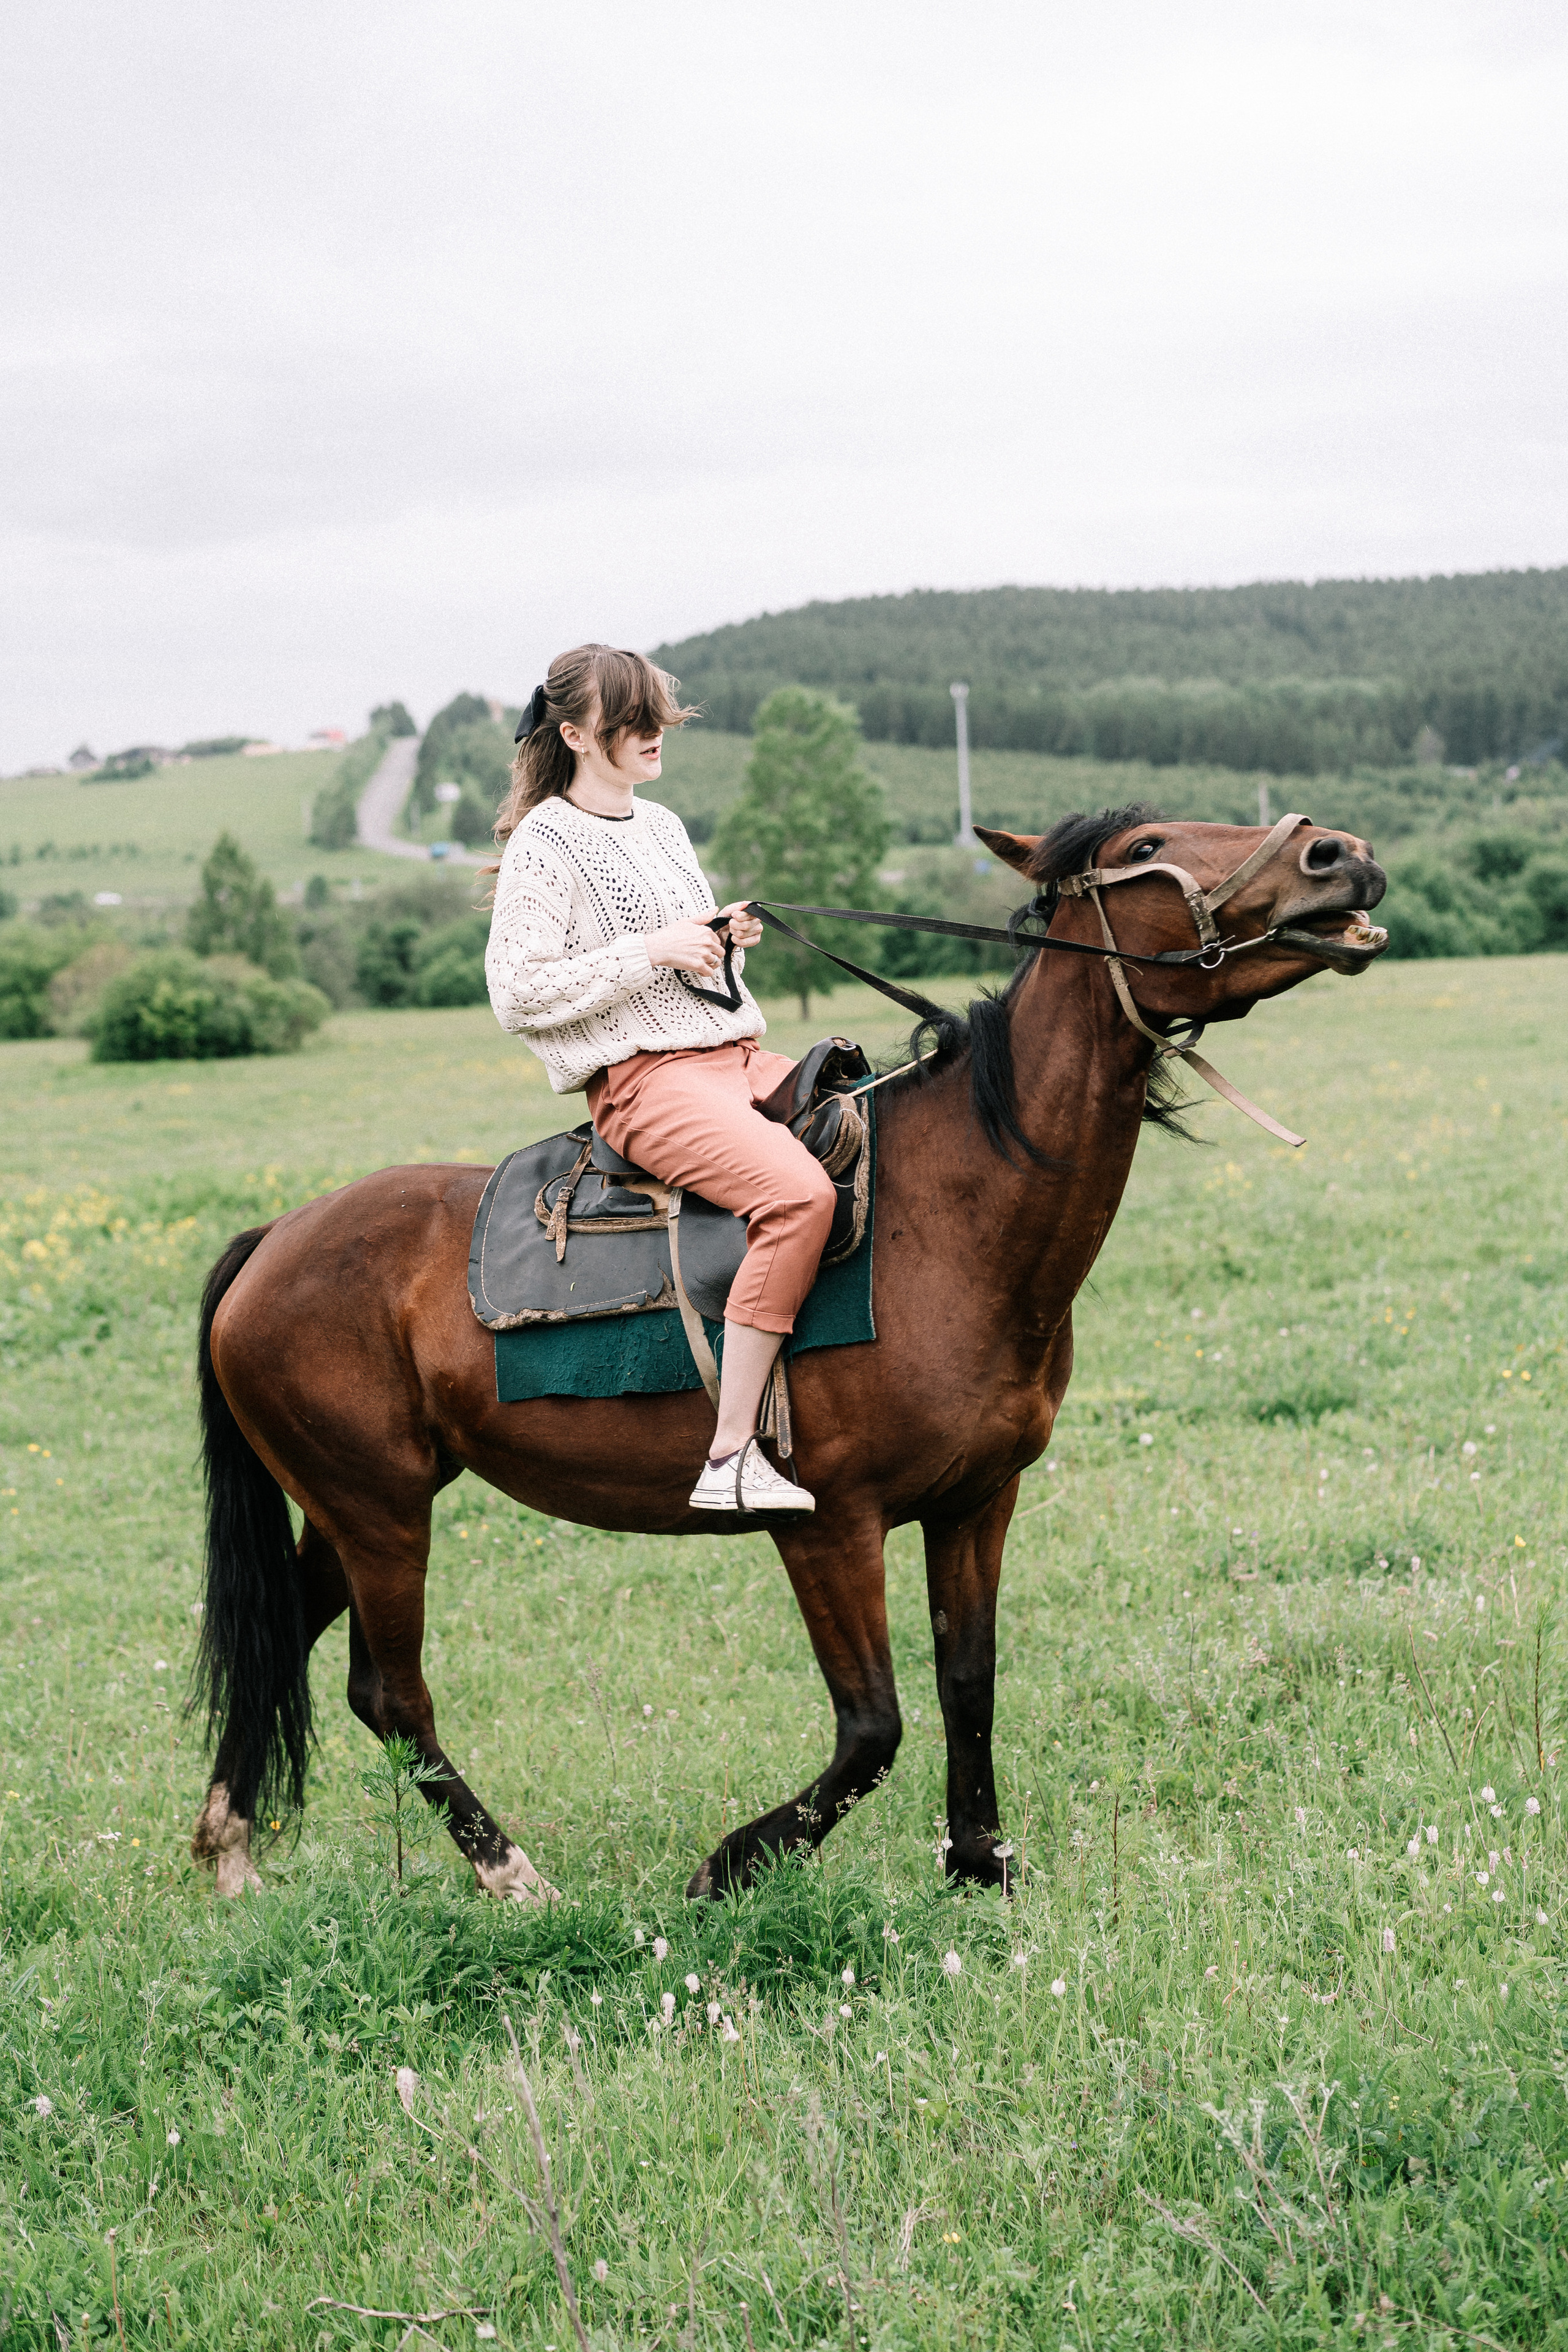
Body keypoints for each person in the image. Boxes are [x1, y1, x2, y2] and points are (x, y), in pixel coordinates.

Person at [484, 643, 835, 1513]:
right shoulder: (546, 841)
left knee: (887, 1126)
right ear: (573, 733)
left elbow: (683, 974)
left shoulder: (664, 825)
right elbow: (518, 991)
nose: (652, 736)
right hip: (649, 1087)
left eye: (658, 719)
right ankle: (729, 1457)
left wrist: (714, 943)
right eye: (630, 723)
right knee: (799, 1197)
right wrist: (653, 950)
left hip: (739, 1059)